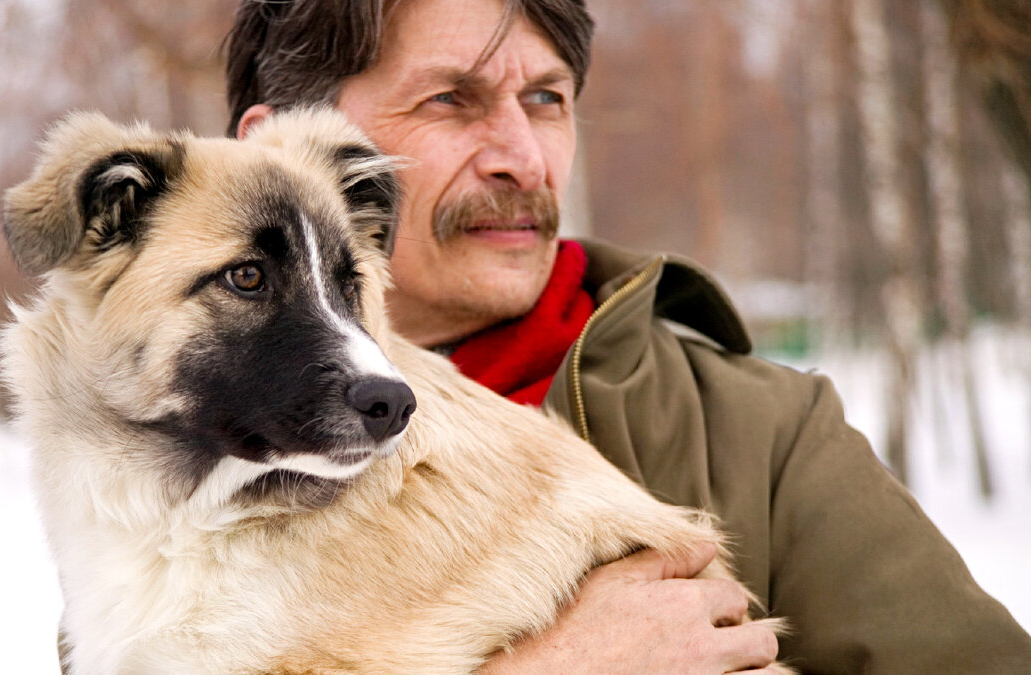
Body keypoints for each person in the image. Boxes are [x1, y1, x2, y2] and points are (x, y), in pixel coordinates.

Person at [222, 0, 1031, 671]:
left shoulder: (760, 435)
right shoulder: (129, 466)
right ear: (275, 147)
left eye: (547, 99)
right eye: (452, 101)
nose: (522, 157)